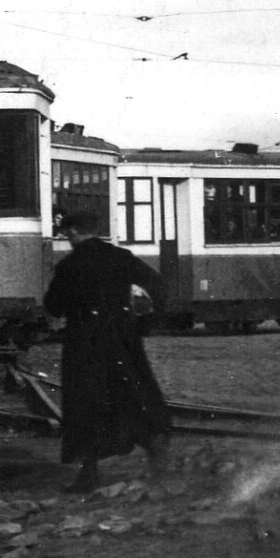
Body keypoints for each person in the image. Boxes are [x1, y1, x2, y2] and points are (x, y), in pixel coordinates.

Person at [44, 211, 171, 493]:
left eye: (67, 234)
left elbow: (54, 306)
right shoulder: (121, 257)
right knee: (132, 394)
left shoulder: (69, 265)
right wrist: (145, 323)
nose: (67, 238)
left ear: (74, 232)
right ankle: (155, 446)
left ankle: (88, 474)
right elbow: (159, 285)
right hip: (123, 340)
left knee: (85, 406)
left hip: (85, 344)